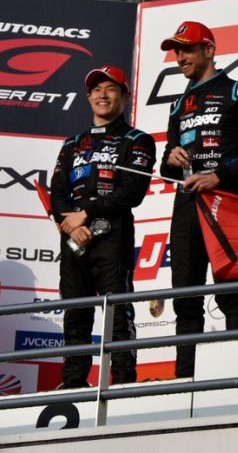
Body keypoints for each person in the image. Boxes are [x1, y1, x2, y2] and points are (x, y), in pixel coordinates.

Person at [160, 20, 238, 378]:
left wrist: (218, 175)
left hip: (222, 202)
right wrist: (171, 159)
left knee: (228, 293)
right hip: (186, 207)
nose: (180, 57)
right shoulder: (179, 104)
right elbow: (166, 167)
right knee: (185, 300)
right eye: (177, 50)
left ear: (208, 50)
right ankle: (184, 381)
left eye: (187, 49)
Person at [50, 65, 155, 388]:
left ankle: (123, 382)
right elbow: (56, 192)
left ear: (124, 96)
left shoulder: (137, 140)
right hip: (74, 240)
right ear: (88, 97)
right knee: (75, 313)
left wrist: (87, 213)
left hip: (113, 237)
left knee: (117, 313)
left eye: (110, 89)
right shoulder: (72, 144)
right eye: (96, 90)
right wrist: (70, 224)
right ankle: (72, 384)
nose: (102, 95)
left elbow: (131, 192)